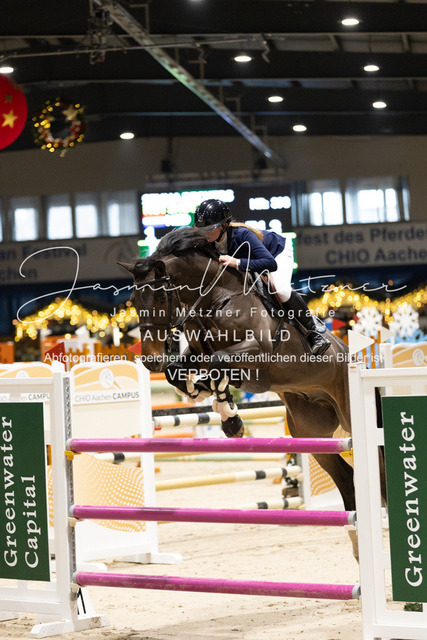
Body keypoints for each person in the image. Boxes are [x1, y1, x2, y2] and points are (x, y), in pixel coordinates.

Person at [194, 198, 330, 356]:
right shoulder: (208, 242)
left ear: (224, 225)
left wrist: (237, 262)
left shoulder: (242, 235)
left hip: (276, 252)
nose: (205, 233)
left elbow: (270, 263)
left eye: (210, 229)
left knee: (281, 290)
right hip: (253, 261)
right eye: (202, 229)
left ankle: (314, 331)